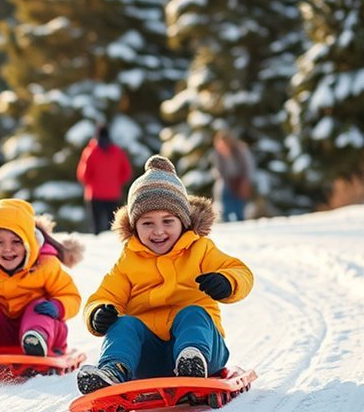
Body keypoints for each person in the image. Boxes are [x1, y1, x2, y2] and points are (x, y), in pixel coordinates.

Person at [76, 155, 254, 394]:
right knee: (124, 324)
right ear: (134, 226)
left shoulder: (200, 249)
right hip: (150, 358)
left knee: (193, 313)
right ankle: (113, 370)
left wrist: (227, 281)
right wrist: (98, 313)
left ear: (183, 221)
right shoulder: (128, 261)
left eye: (168, 221)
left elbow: (241, 271)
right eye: (147, 223)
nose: (158, 231)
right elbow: (104, 295)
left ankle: (192, 360)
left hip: (206, 349)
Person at [0, 198, 84, 361]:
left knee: (38, 306)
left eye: (16, 242)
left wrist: (58, 306)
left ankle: (36, 342)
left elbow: (71, 296)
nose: (8, 249)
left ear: (29, 243)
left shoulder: (46, 265)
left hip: (44, 331)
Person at [77, 122, 133, 234]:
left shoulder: (90, 152)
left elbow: (83, 175)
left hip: (94, 195)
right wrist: (116, 183)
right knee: (113, 227)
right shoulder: (118, 152)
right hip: (113, 194)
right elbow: (127, 173)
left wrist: (93, 184)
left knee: (96, 228)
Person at [210, 130, 255, 222]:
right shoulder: (217, 154)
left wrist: (246, 180)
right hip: (226, 179)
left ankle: (240, 217)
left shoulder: (240, 150)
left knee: (239, 198)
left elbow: (249, 166)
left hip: (241, 178)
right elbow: (218, 170)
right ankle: (226, 217)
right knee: (224, 192)